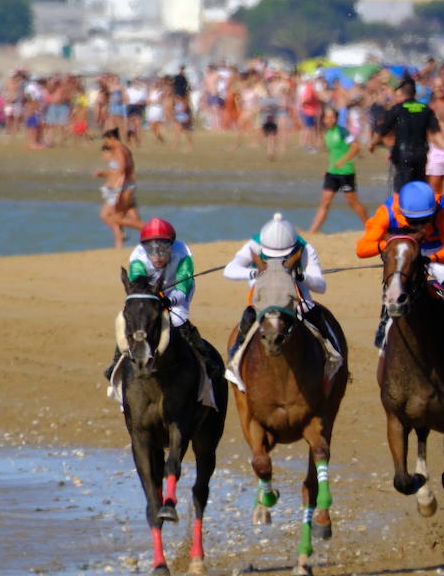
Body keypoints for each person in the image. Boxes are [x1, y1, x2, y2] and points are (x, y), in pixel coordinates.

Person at [355, 180, 444, 350]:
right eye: (413, 221)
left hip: (434, 249)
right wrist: (388, 245)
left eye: (425, 220)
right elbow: (361, 249)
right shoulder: (386, 212)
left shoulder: (442, 208)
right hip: (404, 248)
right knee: (395, 280)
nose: (420, 226)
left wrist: (432, 258)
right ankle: (383, 323)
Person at [106, 217, 221, 379]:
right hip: (149, 294)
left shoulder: (183, 254)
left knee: (177, 320)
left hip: (176, 291)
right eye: (151, 249)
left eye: (163, 248)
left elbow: (184, 286)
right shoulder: (138, 257)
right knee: (131, 319)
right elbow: (137, 284)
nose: (157, 255)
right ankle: (116, 360)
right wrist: (152, 298)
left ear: (172, 245)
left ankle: (205, 359)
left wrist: (170, 300)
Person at [222, 213, 328, 384]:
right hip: (263, 296)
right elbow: (230, 269)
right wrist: (256, 273)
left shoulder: (306, 248)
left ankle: (331, 352)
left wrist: (302, 277)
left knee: (310, 310)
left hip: (294, 296)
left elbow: (321, 286)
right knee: (249, 316)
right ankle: (236, 356)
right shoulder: (255, 244)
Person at [370, 78, 440, 190]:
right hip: (421, 155)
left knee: (402, 188)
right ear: (414, 93)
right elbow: (436, 132)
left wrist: (372, 144)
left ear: (402, 94)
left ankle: (401, 206)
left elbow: (381, 130)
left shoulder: (397, 109)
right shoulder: (425, 109)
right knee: (419, 187)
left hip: (403, 155)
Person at [309, 106, 367, 232]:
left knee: (352, 202)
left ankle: (369, 226)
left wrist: (343, 161)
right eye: (327, 117)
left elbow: (356, 147)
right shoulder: (327, 133)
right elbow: (334, 153)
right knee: (325, 201)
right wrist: (329, 168)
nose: (330, 120)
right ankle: (313, 231)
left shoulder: (342, 131)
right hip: (332, 172)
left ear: (336, 118)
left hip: (346, 172)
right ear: (324, 119)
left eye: (332, 117)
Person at [95, 129, 142, 247]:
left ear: (112, 138)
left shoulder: (119, 150)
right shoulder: (123, 149)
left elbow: (121, 170)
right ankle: (122, 242)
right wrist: (104, 174)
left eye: (107, 141)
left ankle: (147, 230)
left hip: (122, 187)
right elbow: (118, 169)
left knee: (110, 216)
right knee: (127, 216)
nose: (107, 144)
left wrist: (116, 187)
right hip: (126, 185)